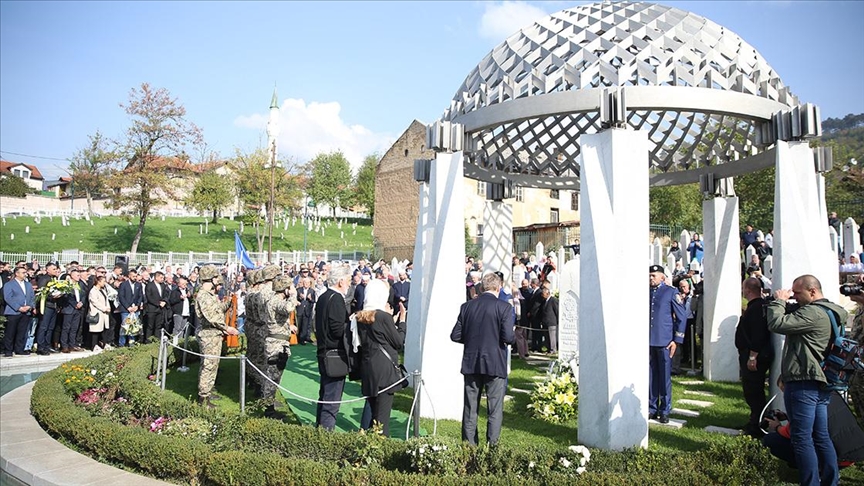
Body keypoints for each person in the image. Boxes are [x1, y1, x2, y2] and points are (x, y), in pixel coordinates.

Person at [767, 274, 848, 486]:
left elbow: (777, 323)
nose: (794, 296)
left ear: (813, 291)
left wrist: (779, 301)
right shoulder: (831, 312)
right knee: (820, 436)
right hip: (818, 381)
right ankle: (831, 481)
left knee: (802, 438)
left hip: (804, 382)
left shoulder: (813, 313)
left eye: (797, 292)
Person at [450, 272, 515, 446]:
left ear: (481, 287)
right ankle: (492, 448)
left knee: (470, 408)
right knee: (494, 409)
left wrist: (471, 339)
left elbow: (456, 335)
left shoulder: (467, 307)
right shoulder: (504, 308)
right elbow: (508, 337)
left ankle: (469, 447)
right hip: (494, 361)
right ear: (498, 287)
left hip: (472, 361)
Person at [356, 279, 407, 436]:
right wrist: (402, 322)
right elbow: (398, 342)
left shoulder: (360, 316)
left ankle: (367, 444)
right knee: (382, 418)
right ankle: (379, 450)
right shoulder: (383, 317)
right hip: (384, 369)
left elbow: (378, 336)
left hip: (368, 367)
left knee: (372, 411)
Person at [194, 265, 238, 408]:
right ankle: (203, 399)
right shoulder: (204, 296)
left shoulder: (209, 295)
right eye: (215, 278)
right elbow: (212, 317)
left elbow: (217, 310)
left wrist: (229, 303)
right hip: (209, 335)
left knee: (211, 365)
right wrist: (227, 328)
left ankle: (207, 391)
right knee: (208, 366)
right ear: (210, 279)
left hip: (213, 334)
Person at [314, 265, 352, 431]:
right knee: (332, 398)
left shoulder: (323, 296)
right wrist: (351, 325)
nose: (350, 285)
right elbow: (337, 330)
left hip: (324, 351)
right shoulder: (336, 299)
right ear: (341, 281)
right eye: (348, 281)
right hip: (334, 353)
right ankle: (326, 434)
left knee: (324, 395)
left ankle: (320, 429)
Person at [735, 277, 773, 438]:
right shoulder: (757, 306)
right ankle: (754, 421)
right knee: (751, 391)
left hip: (754, 357)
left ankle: (757, 426)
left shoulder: (757, 308)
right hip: (751, 354)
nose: (743, 291)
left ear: (748, 290)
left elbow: (758, 334)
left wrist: (752, 356)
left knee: (754, 391)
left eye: (744, 289)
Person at [648, 265, 687, 424]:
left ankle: (664, 409)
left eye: (654, 275)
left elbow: (681, 317)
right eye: (649, 276)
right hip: (649, 341)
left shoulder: (671, 292)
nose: (651, 278)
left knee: (664, 377)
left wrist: (676, 340)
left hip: (665, 342)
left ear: (662, 277)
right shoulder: (646, 292)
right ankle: (651, 407)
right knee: (651, 377)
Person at [261, 275, 298, 417]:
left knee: (275, 376)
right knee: (272, 376)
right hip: (276, 344)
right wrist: (293, 295)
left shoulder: (274, 300)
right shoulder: (276, 301)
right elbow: (288, 307)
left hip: (277, 341)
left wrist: (289, 326)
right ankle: (268, 409)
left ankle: (269, 404)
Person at [3, 265, 35, 357]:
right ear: (17, 274)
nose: (25, 274)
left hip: (26, 311)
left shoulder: (28, 284)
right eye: (23, 273)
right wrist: (18, 307)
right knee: (10, 331)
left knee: (22, 331)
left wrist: (30, 306)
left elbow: (32, 297)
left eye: (25, 272)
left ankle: (19, 349)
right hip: (14, 312)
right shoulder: (9, 284)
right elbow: (8, 298)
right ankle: (8, 350)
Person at [35, 262, 62, 353]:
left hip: (54, 306)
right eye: (53, 269)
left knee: (51, 327)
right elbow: (41, 293)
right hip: (47, 306)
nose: (56, 271)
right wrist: (52, 296)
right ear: (47, 270)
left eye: (56, 269)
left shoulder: (54, 279)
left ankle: (47, 345)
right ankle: (40, 346)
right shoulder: (44, 279)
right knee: (44, 327)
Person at [60, 268, 86, 353]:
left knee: (74, 328)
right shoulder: (67, 285)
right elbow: (67, 297)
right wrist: (75, 304)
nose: (79, 277)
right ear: (72, 276)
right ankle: (64, 345)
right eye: (77, 275)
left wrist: (82, 302)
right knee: (66, 328)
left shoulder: (79, 284)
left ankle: (72, 344)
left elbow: (83, 294)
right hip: (69, 309)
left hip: (78, 310)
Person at [86, 275, 111, 350]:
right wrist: (104, 308)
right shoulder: (93, 291)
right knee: (95, 330)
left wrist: (108, 307)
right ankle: (94, 345)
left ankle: (104, 343)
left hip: (104, 313)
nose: (105, 283)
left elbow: (106, 300)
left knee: (104, 329)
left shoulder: (103, 290)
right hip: (97, 312)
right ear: (98, 282)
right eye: (103, 281)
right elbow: (95, 302)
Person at [296, 276, 316, 345]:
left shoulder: (312, 291)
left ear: (310, 284)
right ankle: (296, 338)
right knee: (298, 324)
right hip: (300, 310)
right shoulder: (298, 290)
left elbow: (314, 301)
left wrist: (310, 299)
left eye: (308, 283)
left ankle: (302, 339)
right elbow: (295, 300)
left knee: (305, 325)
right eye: (305, 282)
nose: (306, 284)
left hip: (307, 310)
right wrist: (299, 297)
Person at [539, 287, 558, 355]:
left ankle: (553, 349)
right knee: (546, 336)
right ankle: (548, 348)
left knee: (552, 337)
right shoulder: (544, 301)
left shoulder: (553, 300)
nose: (542, 295)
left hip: (551, 322)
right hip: (545, 322)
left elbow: (556, 310)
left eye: (543, 294)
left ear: (547, 293)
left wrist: (557, 321)